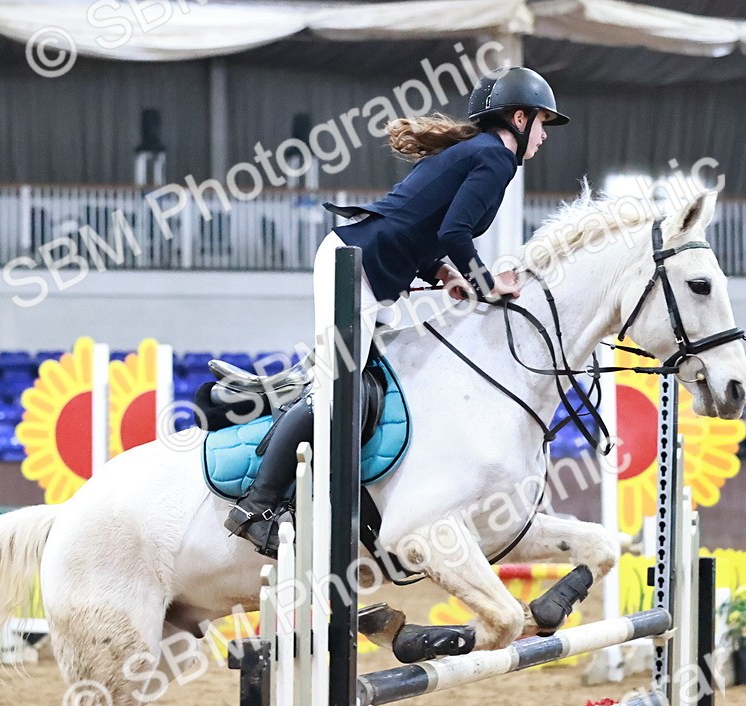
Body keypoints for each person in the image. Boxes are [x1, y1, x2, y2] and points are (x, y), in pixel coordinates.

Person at [224, 66, 569, 556]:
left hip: (369, 266)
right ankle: (256, 505)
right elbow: (453, 233)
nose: (543, 136)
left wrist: (446, 275)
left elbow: (424, 223)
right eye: (541, 123)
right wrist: (485, 282)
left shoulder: (481, 154)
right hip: (355, 268)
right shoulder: (494, 159)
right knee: (338, 390)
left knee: (375, 383)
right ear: (519, 117)